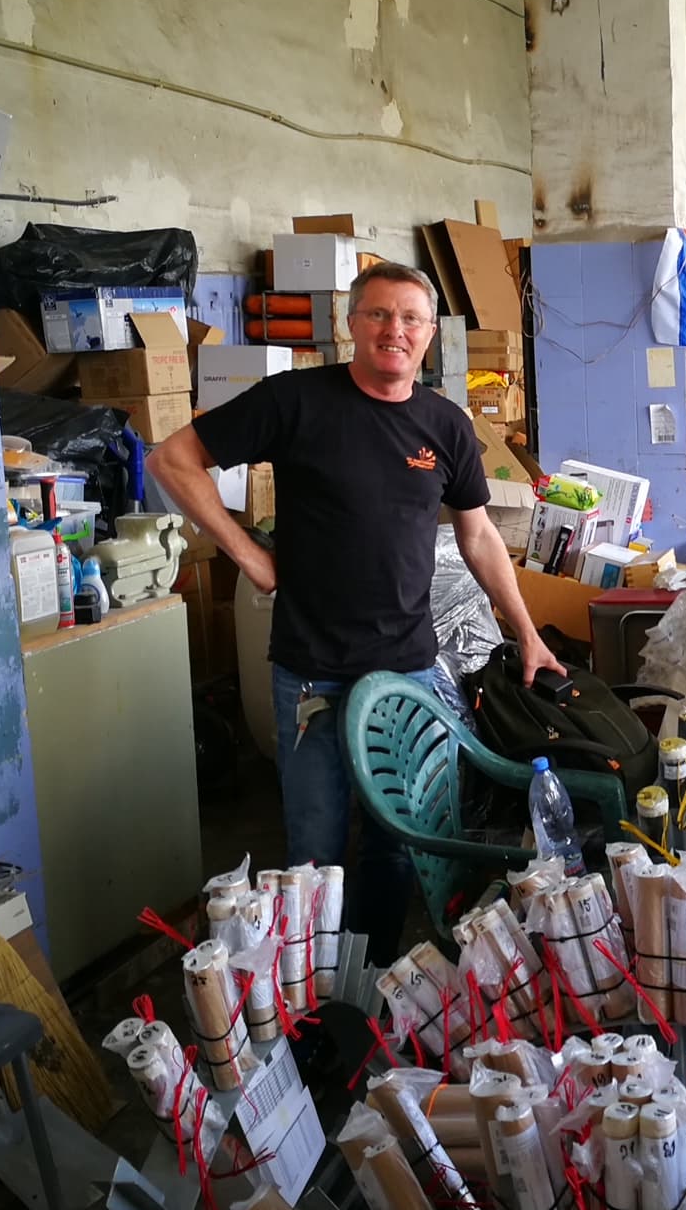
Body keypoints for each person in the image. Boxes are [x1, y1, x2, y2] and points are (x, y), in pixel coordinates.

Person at [148, 262, 563, 962]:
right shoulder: (295, 401)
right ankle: (315, 996)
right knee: (313, 854)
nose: (393, 331)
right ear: (351, 323)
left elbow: (480, 534)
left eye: (410, 319)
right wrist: (247, 553)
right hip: (314, 673)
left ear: (430, 334)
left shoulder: (444, 425)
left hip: (406, 672)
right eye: (377, 314)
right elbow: (172, 459)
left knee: (396, 847)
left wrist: (527, 633)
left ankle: (370, 984)